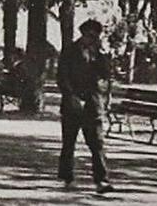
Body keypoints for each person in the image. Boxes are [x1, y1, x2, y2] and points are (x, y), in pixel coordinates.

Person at [57, 18, 113, 193]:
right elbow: (62, 76)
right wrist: (70, 95)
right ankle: (67, 177)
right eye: (90, 35)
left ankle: (101, 180)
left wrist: (104, 55)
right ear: (83, 34)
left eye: (96, 36)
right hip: (72, 102)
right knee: (69, 143)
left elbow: (106, 75)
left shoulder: (99, 53)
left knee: (97, 143)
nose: (93, 38)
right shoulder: (69, 51)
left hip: (92, 103)